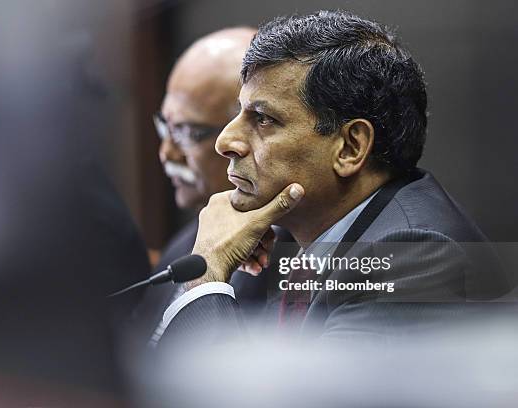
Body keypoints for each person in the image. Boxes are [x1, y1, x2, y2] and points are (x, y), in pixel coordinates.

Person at [158, 11, 512, 347]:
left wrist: (206, 276)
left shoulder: (413, 254)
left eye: (263, 119)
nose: (225, 142)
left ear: (350, 147)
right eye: (239, 114)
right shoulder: (291, 236)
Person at [131, 27, 284, 348]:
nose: (167, 152)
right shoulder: (187, 241)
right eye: (165, 126)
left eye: (187, 132)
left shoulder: (296, 264)